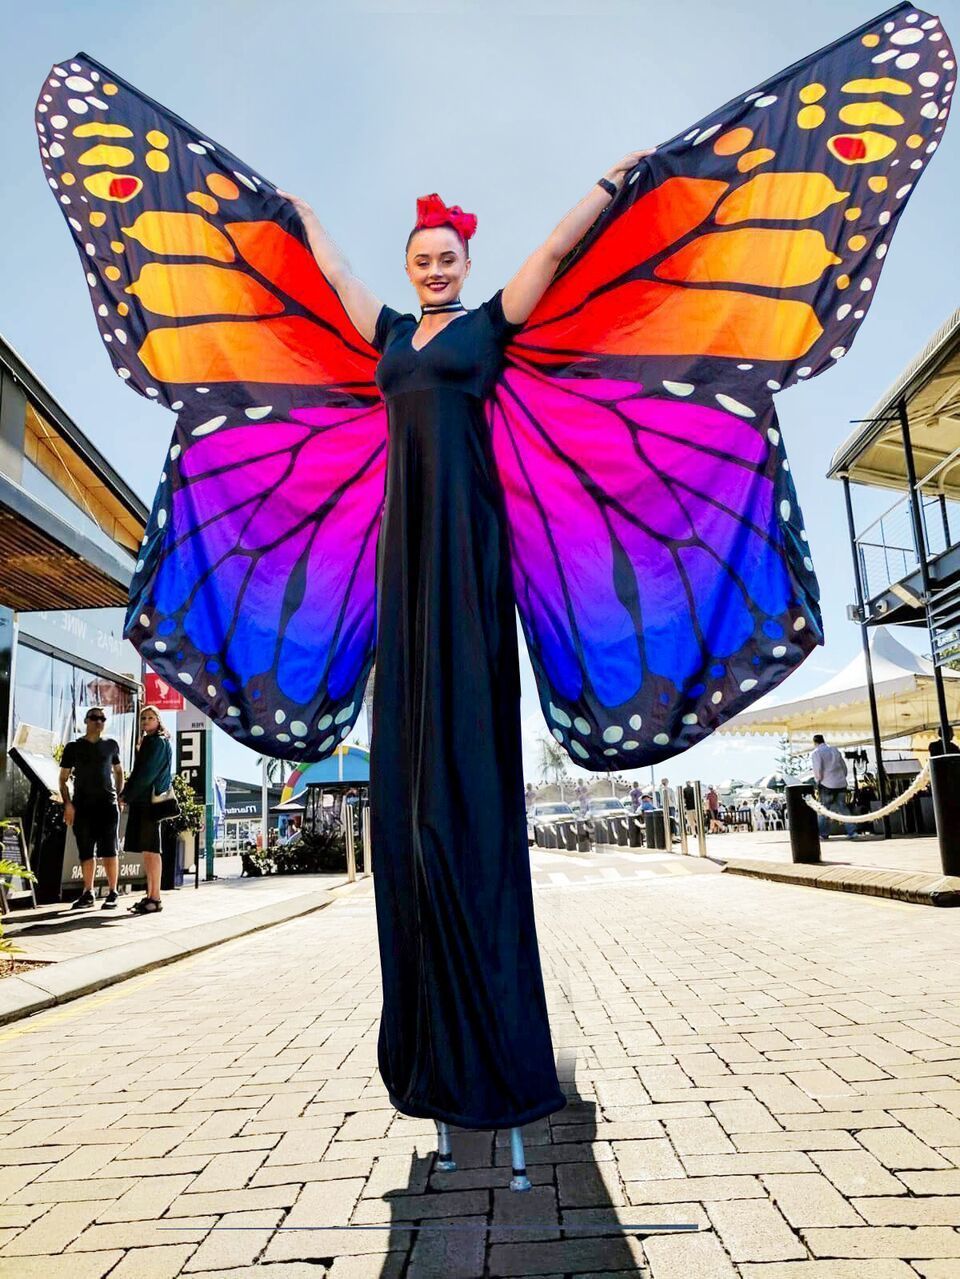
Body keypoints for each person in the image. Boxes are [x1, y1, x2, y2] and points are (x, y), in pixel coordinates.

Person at [286, 155, 651, 1132]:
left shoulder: (489, 325)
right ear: (410, 268)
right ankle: (432, 1040)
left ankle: (497, 1041)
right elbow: (334, 282)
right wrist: (306, 212)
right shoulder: (394, 337)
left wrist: (609, 189)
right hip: (406, 563)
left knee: (471, 791)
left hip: (474, 555)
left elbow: (557, 251)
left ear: (462, 260)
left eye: (448, 256)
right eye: (424, 257)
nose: (436, 267)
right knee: (409, 797)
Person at [59, 707, 124, 909]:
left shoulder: (111, 745)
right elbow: (63, 778)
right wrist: (68, 803)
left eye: (102, 719)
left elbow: (119, 771)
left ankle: (113, 892)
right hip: (83, 806)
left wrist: (119, 796)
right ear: (86, 721)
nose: (98, 722)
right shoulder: (73, 747)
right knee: (86, 851)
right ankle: (88, 892)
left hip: (107, 805)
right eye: (95, 718)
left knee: (109, 850)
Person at [121, 705, 174, 914]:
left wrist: (127, 794)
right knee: (148, 850)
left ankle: (155, 897)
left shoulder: (158, 743)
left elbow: (146, 774)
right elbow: (139, 772)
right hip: (143, 801)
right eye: (143, 718)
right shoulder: (149, 742)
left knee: (152, 850)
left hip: (149, 802)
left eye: (150, 718)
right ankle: (150, 895)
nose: (146, 721)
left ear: (158, 721)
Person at [810, 734, 857, 839]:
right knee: (843, 808)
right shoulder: (835, 750)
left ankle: (823, 833)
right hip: (840, 783)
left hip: (826, 784)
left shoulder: (816, 753)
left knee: (824, 809)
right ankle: (852, 832)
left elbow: (818, 769)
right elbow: (844, 767)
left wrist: (818, 780)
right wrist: (842, 777)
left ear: (815, 742)